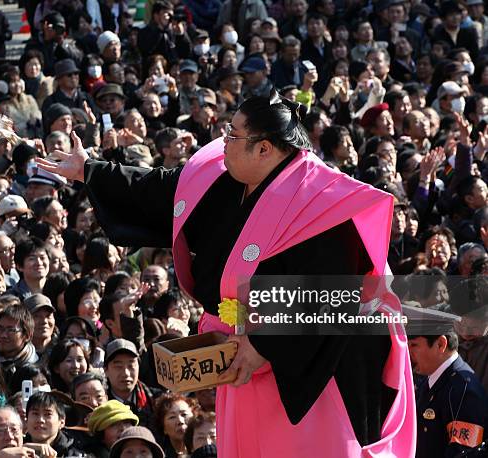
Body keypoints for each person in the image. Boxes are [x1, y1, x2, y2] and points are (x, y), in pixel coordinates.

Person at [37, 89, 416, 456]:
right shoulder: (224, 178)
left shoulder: (322, 203)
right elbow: (159, 189)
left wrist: (263, 344)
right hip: (235, 355)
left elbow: (332, 297)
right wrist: (91, 170)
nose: (224, 142)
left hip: (306, 373)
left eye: (233, 135)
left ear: (264, 148)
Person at [408, 322, 488, 457]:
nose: (408, 352)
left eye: (414, 345)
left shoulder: (463, 390)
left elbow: (465, 454)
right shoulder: (429, 380)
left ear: (440, 344)